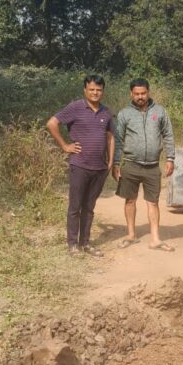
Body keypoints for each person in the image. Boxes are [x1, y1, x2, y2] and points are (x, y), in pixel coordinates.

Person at [47, 75, 115, 256]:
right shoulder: (75, 107)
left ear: (103, 91)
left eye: (99, 90)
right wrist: (64, 146)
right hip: (80, 165)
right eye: (91, 89)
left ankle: (85, 243)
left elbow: (110, 137)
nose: (95, 93)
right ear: (85, 90)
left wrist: (110, 161)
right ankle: (72, 245)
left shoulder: (106, 112)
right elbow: (52, 123)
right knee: (75, 207)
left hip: (99, 168)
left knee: (89, 208)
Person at [112, 78, 176, 252]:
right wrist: (116, 163)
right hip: (131, 164)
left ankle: (155, 239)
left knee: (153, 202)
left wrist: (170, 158)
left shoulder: (160, 112)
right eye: (136, 94)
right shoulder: (124, 114)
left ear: (148, 92)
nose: (140, 97)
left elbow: (168, 135)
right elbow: (118, 140)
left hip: (153, 166)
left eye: (143, 93)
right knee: (130, 200)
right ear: (131, 94)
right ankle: (131, 235)